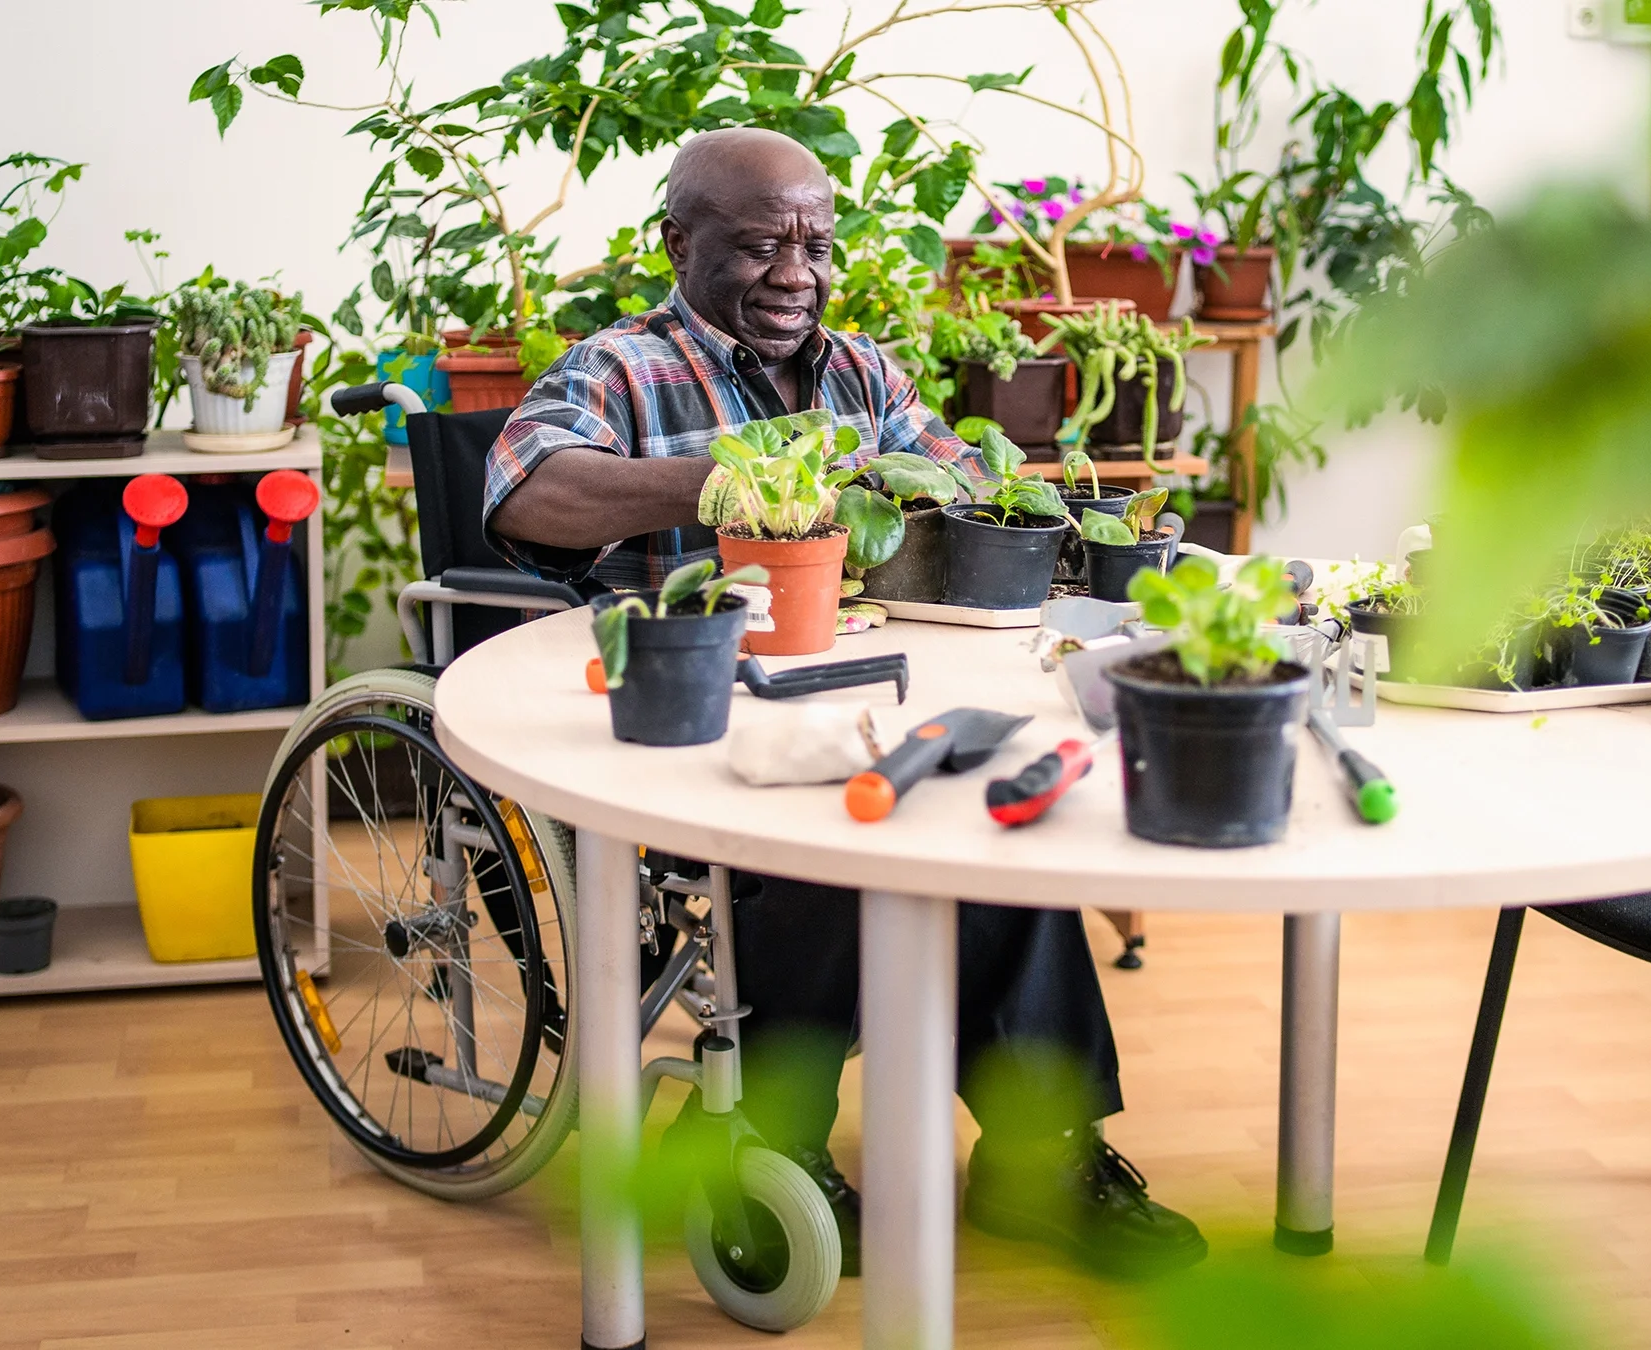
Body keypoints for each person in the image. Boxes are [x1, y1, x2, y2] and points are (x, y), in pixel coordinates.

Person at [484, 127, 1205, 1279]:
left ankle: (1041, 1154)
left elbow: (972, 490)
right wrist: (751, 472)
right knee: (831, 833)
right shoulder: (622, 369)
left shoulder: (865, 373)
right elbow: (528, 488)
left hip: (868, 697)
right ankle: (775, 1141)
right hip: (693, 731)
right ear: (678, 243)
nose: (797, 272)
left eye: (816, 245)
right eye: (764, 243)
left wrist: (1070, 518)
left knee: (991, 817)